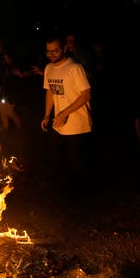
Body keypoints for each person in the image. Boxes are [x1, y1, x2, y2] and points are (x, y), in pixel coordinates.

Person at [40, 33, 94, 197]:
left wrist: (64, 113)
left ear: (64, 49)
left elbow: (86, 95)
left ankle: (81, 195)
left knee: (77, 162)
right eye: (48, 51)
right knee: (54, 151)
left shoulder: (74, 68)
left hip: (78, 124)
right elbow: (49, 92)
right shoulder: (49, 68)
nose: (51, 54)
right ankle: (65, 187)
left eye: (55, 50)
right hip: (59, 122)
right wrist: (47, 115)